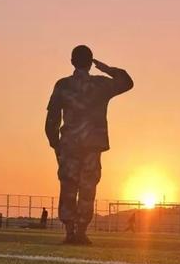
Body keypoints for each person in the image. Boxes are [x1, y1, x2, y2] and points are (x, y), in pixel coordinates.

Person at [45, 45, 133, 245]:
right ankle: (81, 231)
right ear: (90, 62)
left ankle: (69, 231)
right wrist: (106, 68)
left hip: (69, 144)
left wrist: (55, 144)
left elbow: (52, 119)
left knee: (68, 186)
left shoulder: (63, 85)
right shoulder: (100, 85)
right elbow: (127, 82)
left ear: (72, 61)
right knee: (88, 187)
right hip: (92, 144)